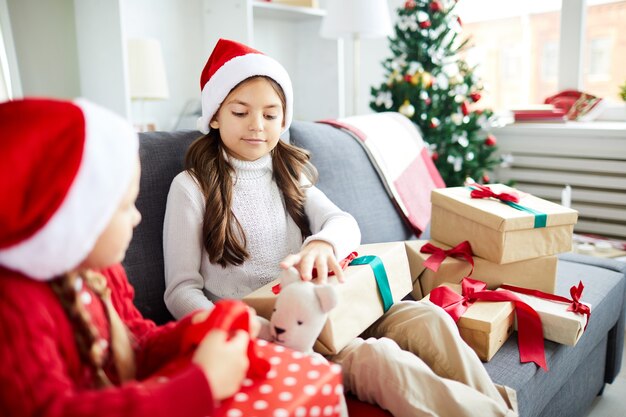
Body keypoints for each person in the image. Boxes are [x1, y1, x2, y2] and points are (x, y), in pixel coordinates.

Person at [163, 38, 518, 417]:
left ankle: (499, 411)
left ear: (283, 120)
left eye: (270, 115)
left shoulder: (288, 173)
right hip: (286, 334)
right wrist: (238, 328)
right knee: (377, 359)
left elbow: (343, 222)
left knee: (429, 318)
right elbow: (180, 291)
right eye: (240, 113)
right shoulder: (191, 187)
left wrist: (323, 245)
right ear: (215, 116)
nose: (257, 126)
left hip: (334, 306)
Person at [0, 98, 251, 417]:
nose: (136, 218)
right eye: (124, 206)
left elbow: (136, 344)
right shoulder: (15, 310)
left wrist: (192, 330)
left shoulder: (101, 272)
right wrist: (201, 384)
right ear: (74, 218)